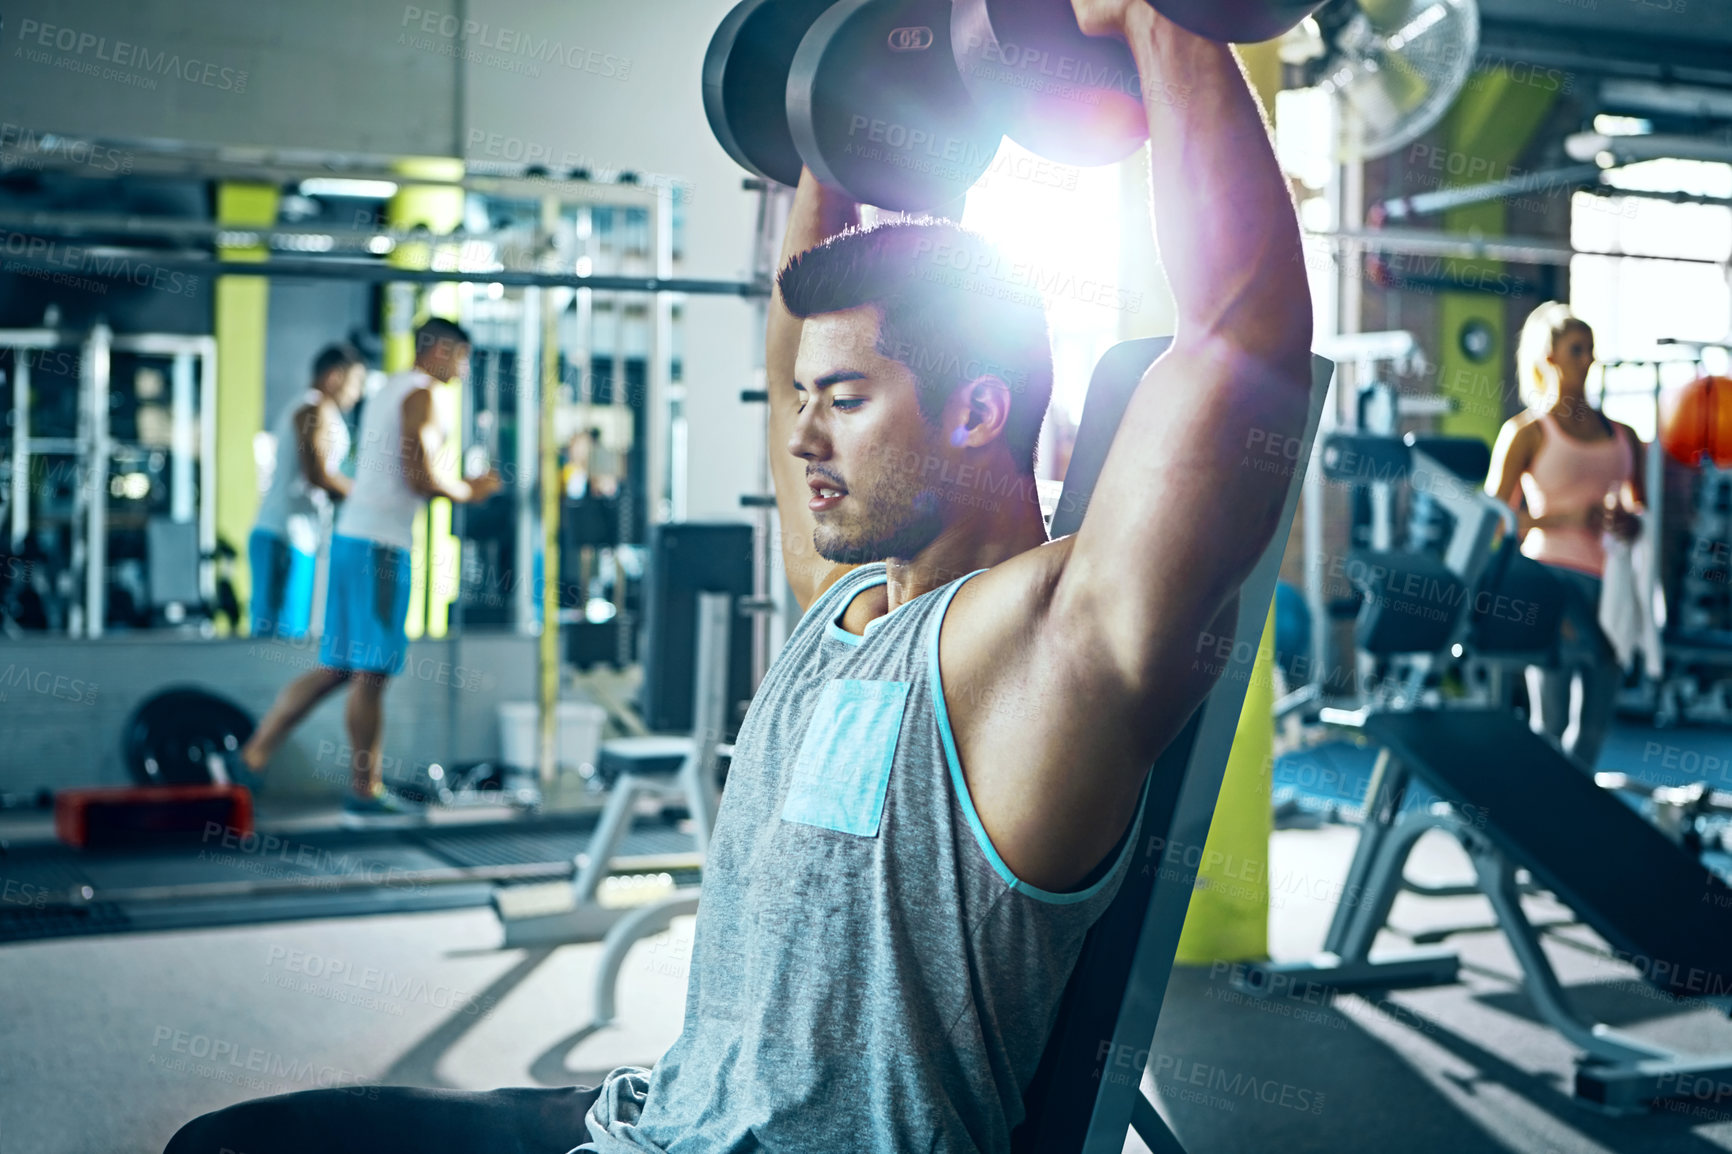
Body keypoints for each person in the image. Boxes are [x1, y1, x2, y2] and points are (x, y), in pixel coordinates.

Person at [166, 4, 1312, 1150]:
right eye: (805, 400)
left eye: (847, 402)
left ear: (976, 410)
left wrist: (1162, 23)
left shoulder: (1049, 648)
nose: (805, 438)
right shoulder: (844, 597)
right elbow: (791, 349)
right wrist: (828, 120)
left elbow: (1235, 344)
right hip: (655, 1114)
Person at [237, 317, 502, 825]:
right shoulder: (421, 393)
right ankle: (364, 789)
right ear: (441, 350)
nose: (464, 369)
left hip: (352, 538)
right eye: (462, 357)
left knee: (339, 665)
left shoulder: (388, 390)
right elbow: (420, 475)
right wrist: (472, 488)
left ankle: (254, 756)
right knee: (372, 672)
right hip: (380, 546)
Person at [1485, 302, 1645, 771]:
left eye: (1591, 349)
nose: (1587, 358)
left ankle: (1570, 810)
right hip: (1551, 583)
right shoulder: (1526, 433)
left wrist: (1628, 522)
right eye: (1576, 349)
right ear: (1548, 357)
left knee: (1595, 724)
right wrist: (1560, 519)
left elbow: (1641, 512)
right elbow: (1494, 521)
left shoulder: (1624, 435)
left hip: (1611, 583)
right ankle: (1540, 813)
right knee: (1550, 722)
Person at [248, 343, 366, 640]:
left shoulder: (315, 410)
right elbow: (318, 474)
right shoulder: (313, 409)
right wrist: (362, 495)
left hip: (295, 535)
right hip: (285, 535)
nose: (357, 394)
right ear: (334, 377)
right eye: (355, 384)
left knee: (288, 632)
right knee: (281, 637)